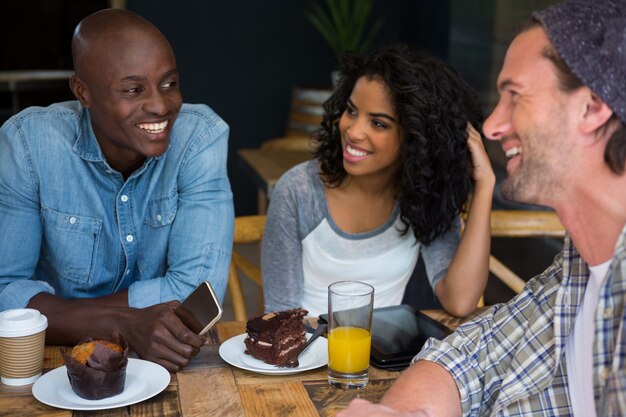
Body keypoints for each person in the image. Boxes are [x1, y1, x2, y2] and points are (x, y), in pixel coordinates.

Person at [338, 0, 626, 416]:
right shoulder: (579, 267)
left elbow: (460, 304)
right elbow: (474, 354)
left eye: (514, 96)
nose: (491, 125)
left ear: (592, 107)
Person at [0, 9, 234, 372]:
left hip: (164, 363)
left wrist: (60, 312)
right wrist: (121, 324)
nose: (160, 105)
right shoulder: (28, 146)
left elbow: (197, 293)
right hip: (55, 367)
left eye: (169, 83)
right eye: (133, 89)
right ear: (83, 92)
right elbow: (5, 297)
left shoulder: (199, 138)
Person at [262, 45, 494, 318]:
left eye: (379, 123)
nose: (354, 131)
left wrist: (485, 185)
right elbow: (279, 319)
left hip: (385, 358)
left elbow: (460, 301)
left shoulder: (424, 195)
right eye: (351, 110)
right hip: (307, 354)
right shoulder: (298, 191)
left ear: (417, 137)